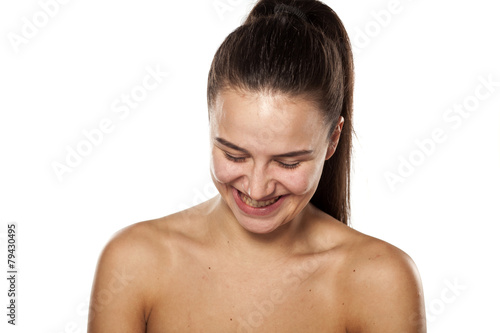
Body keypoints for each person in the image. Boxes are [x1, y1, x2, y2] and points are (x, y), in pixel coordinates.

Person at [88, 0, 426, 332]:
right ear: (211, 124)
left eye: (288, 162)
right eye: (234, 155)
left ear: (333, 139)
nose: (256, 188)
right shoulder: (134, 263)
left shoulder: (381, 281)